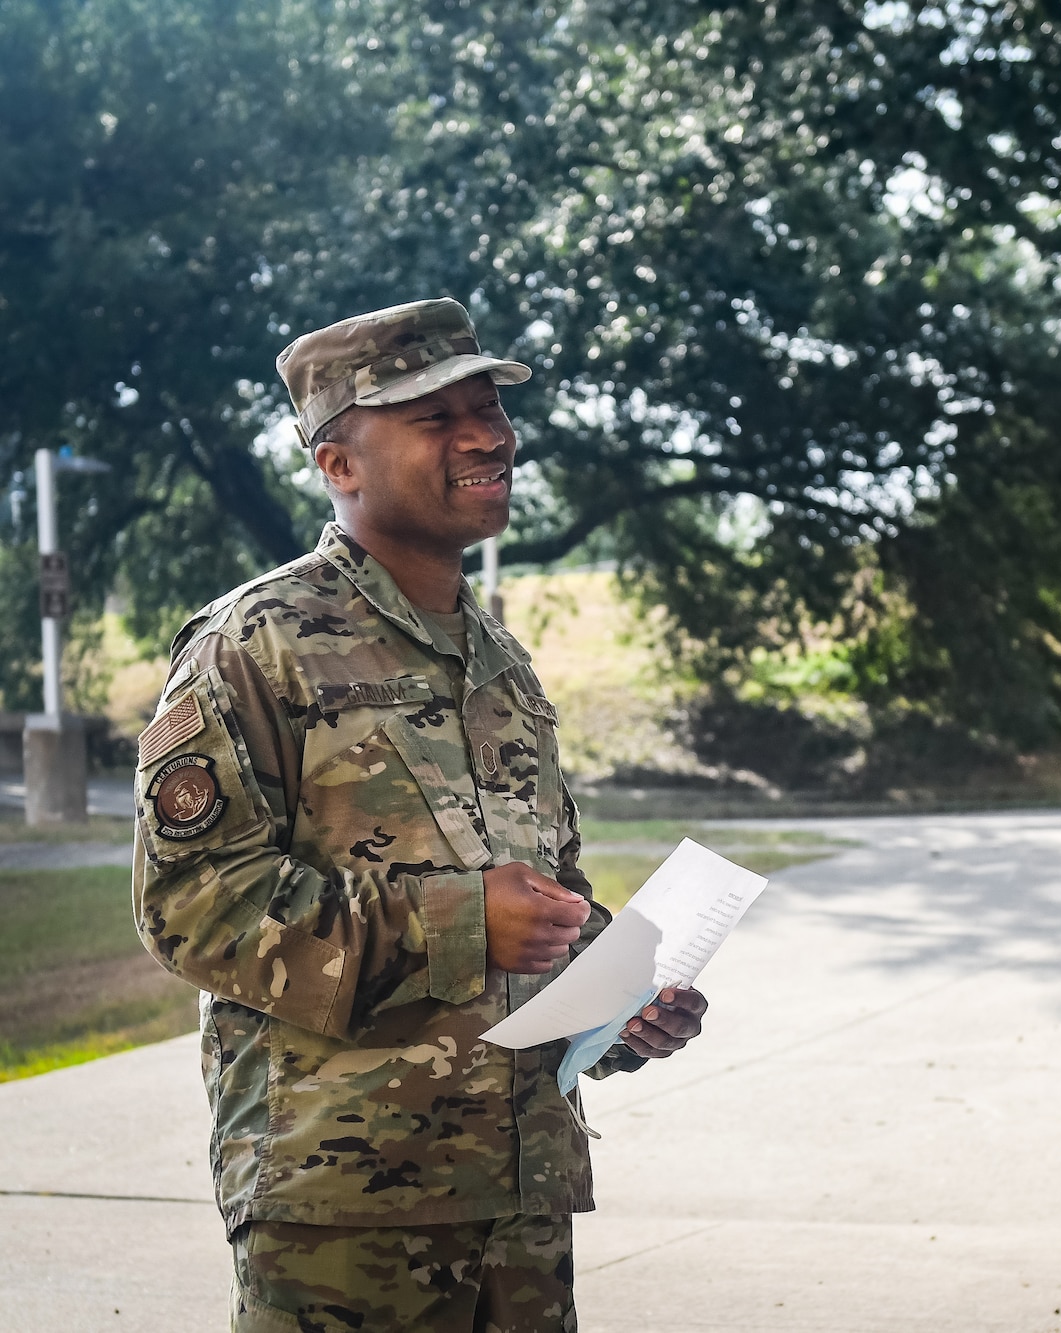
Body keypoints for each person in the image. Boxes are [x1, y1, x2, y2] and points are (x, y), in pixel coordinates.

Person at [132, 298, 708, 1332]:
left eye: (487, 407)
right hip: (344, 1207)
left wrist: (617, 1007)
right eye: (435, 417)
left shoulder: (502, 664)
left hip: (519, 1193)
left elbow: (544, 907)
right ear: (338, 464)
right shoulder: (256, 642)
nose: (488, 435)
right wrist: (456, 921)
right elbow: (191, 904)